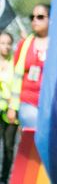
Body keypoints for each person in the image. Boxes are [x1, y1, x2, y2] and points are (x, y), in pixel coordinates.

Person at [0, 31, 16, 181]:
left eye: (8, 43)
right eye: (2, 43)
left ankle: (4, 178)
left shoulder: (16, 61)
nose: (6, 46)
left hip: (11, 110)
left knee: (9, 146)